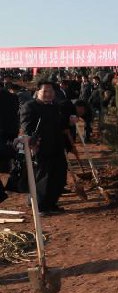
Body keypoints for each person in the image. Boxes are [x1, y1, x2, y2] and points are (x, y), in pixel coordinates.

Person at [20, 81, 73, 214]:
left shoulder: (55, 106)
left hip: (57, 147)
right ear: (37, 92)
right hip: (41, 148)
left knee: (58, 176)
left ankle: (51, 203)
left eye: (51, 91)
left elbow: (60, 125)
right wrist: (32, 142)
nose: (49, 94)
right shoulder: (30, 106)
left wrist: (69, 120)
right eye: (45, 91)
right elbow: (27, 127)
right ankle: (40, 206)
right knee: (43, 178)